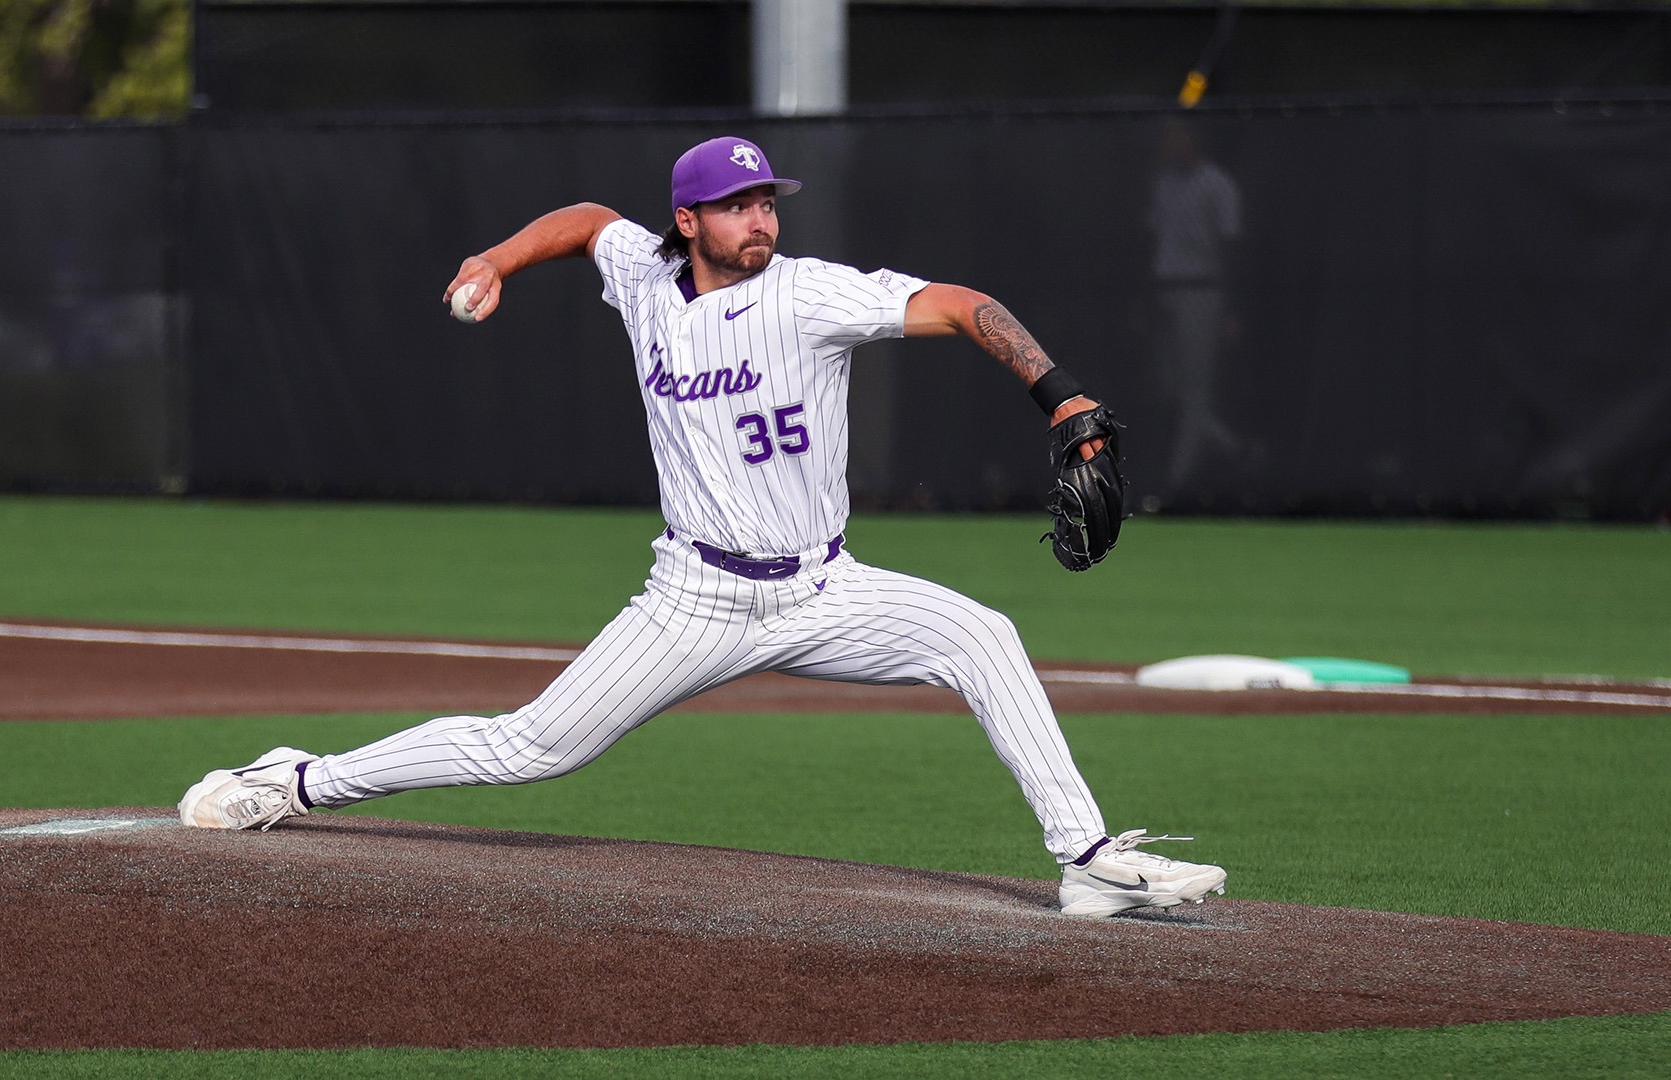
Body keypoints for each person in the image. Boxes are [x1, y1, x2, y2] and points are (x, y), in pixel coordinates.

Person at [178, 136, 1227, 917]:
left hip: (825, 590)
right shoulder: (642, 277)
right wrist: (496, 258)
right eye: (735, 206)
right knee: (530, 749)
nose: (760, 220)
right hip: (695, 598)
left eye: (766, 199)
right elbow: (590, 218)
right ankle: (298, 780)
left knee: (982, 636)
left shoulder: (811, 296)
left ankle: (1086, 861)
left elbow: (961, 304)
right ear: (688, 222)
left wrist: (1065, 398)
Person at [1146, 120, 1243, 489]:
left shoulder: (1217, 184)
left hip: (1202, 293)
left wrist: (1230, 308)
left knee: (1195, 388)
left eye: (1177, 135)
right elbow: (1153, 241)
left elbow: (1230, 245)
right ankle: (1235, 450)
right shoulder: (1164, 183)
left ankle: (1177, 478)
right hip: (1167, 290)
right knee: (1168, 386)